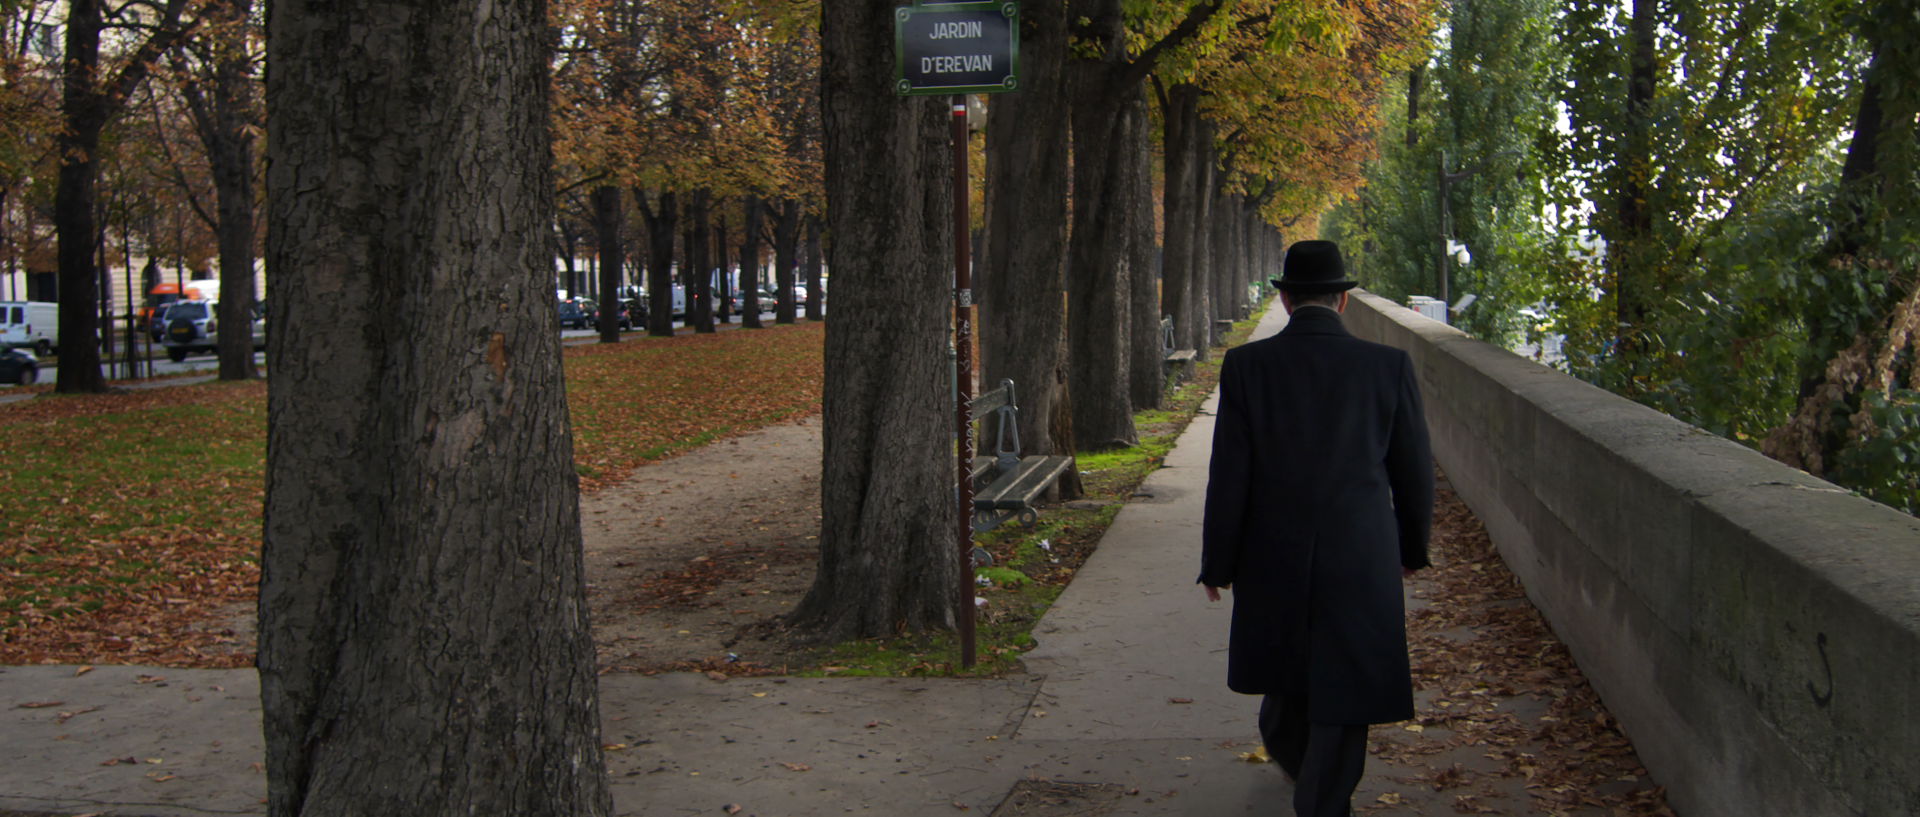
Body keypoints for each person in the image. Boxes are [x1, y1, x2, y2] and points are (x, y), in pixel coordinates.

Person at [1198, 239, 1434, 817]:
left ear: (1283, 299)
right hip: (1361, 549)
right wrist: (1410, 548)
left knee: (1286, 671)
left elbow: (1230, 473)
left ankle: (1313, 788)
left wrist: (1218, 563)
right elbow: (1412, 469)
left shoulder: (1247, 366)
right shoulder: (1387, 366)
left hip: (1270, 550)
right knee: (1347, 683)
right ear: (1345, 300)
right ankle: (1324, 795)